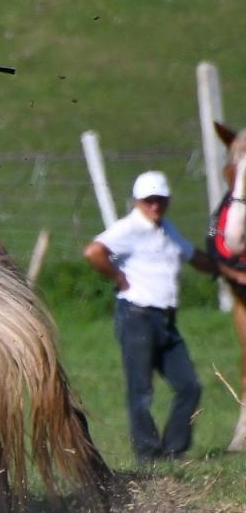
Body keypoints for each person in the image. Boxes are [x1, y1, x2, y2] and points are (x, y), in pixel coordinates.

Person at [84, 171, 218, 464]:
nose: (155, 206)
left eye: (160, 201)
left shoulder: (167, 228)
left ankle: (173, 450)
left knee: (189, 385)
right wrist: (118, 277)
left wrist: (223, 268)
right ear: (137, 202)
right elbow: (94, 252)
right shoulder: (128, 228)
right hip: (137, 316)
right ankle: (147, 454)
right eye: (149, 201)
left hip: (166, 321)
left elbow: (192, 255)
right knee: (141, 389)